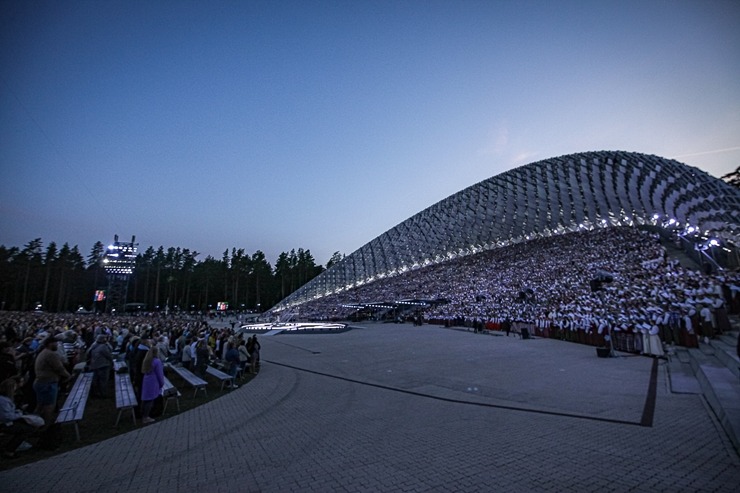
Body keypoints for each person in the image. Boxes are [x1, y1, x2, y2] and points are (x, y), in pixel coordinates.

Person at [33, 334, 70, 432]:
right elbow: (59, 368)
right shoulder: (50, 354)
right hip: (47, 384)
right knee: (49, 407)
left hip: (41, 383)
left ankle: (35, 425)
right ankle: (45, 427)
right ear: (50, 344)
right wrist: (68, 376)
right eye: (56, 343)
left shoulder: (44, 352)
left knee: (40, 406)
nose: (57, 345)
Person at [0, 378, 40, 459]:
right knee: (27, 429)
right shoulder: (3, 401)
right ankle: (10, 450)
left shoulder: (4, 399)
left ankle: (12, 446)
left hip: (7, 421)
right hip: (5, 423)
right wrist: (19, 414)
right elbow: (6, 417)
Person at [140, 346, 164, 424]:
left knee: (146, 399)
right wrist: (161, 383)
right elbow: (159, 374)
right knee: (150, 400)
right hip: (153, 381)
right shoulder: (157, 361)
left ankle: (144, 415)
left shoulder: (146, 361)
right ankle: (146, 417)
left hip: (146, 380)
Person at [86, 334, 113, 398]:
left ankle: (95, 393)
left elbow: (87, 353)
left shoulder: (93, 345)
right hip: (103, 365)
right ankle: (103, 394)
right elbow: (109, 355)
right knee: (103, 381)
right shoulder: (103, 347)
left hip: (94, 365)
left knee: (96, 380)